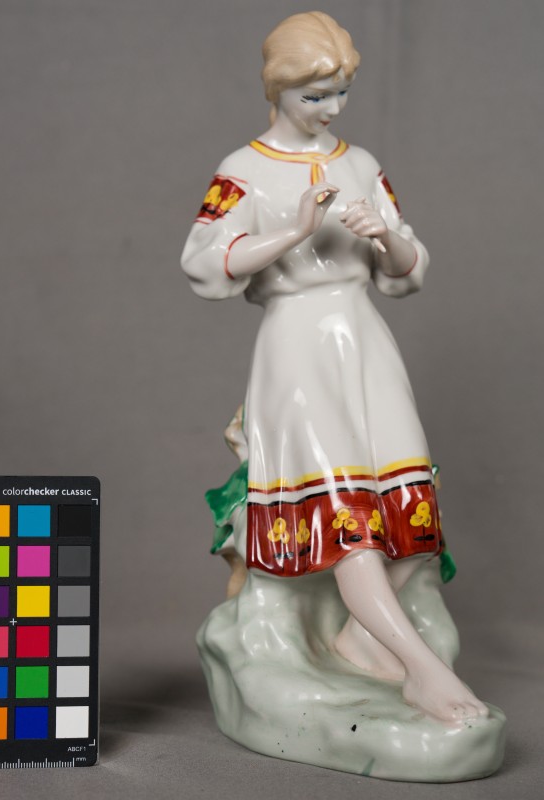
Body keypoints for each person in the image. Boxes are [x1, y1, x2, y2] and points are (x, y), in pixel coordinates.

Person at [181, 11, 487, 723]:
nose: (332, 109)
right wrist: (291, 231)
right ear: (277, 89)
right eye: (315, 95)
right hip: (297, 345)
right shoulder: (243, 170)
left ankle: (361, 640)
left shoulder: (362, 164)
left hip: (364, 338)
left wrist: (386, 238)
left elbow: (408, 270)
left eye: (342, 92)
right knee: (346, 520)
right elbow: (204, 262)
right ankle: (421, 672)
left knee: (413, 515)